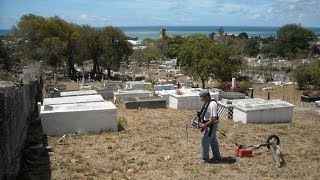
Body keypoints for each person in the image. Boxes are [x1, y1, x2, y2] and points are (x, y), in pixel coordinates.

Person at [197, 89, 221, 164]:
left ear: (207, 96)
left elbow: (213, 118)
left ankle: (205, 159)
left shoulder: (212, 104)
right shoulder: (208, 103)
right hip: (209, 125)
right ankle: (217, 156)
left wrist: (205, 125)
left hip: (211, 126)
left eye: (203, 98)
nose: (202, 99)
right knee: (213, 141)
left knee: (205, 141)